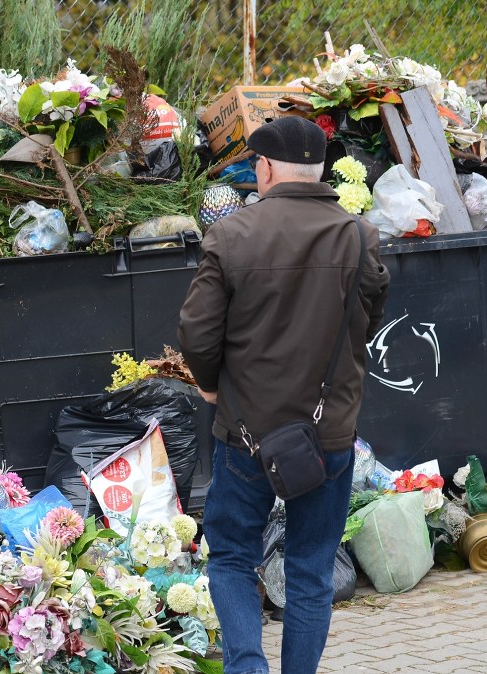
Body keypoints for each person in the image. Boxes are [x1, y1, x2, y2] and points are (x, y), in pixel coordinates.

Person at [177, 115, 390, 674]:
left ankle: (247, 666)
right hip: (328, 433)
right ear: (319, 170)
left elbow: (197, 334)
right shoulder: (359, 235)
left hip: (246, 432)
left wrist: (210, 385)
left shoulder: (230, 234)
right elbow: (367, 321)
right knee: (312, 569)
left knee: (229, 558)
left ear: (265, 168)